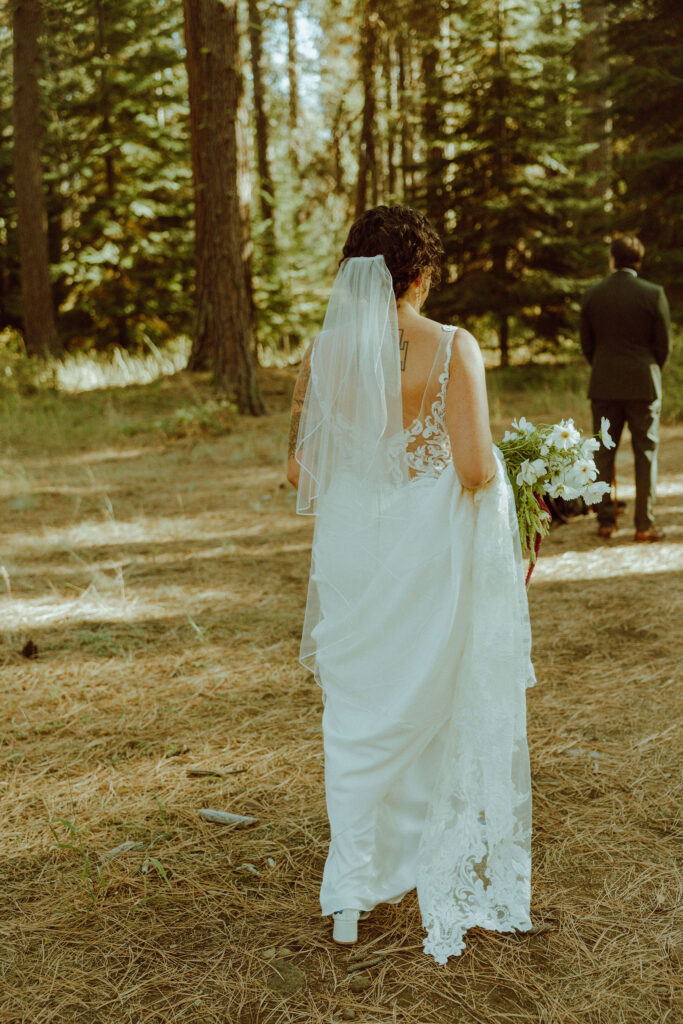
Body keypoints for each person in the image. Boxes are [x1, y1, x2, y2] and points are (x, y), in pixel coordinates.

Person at [286, 205, 535, 965]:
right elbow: (470, 469)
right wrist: (514, 478)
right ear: (420, 276)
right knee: (428, 707)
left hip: (355, 555)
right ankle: (424, 865)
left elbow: (301, 472)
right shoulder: (454, 348)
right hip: (424, 556)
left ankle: (350, 895)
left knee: (357, 714)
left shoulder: (320, 353)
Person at [580, 235, 671, 541]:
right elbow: (664, 346)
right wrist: (647, 367)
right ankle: (644, 525)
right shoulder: (653, 294)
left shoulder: (593, 295)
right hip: (644, 384)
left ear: (612, 259)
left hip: (604, 383)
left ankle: (605, 522)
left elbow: (587, 344)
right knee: (646, 453)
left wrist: (604, 367)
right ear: (638, 261)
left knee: (604, 453)